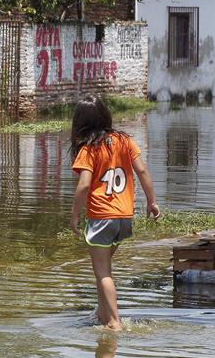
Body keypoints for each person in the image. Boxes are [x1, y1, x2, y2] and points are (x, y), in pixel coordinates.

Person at [69, 96, 161, 330]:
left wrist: (74, 215)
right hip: (124, 217)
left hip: (101, 217)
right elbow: (142, 171)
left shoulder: (89, 149)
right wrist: (152, 202)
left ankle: (113, 322)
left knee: (102, 273)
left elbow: (84, 185)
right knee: (104, 268)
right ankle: (101, 314)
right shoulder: (125, 140)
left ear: (81, 123)